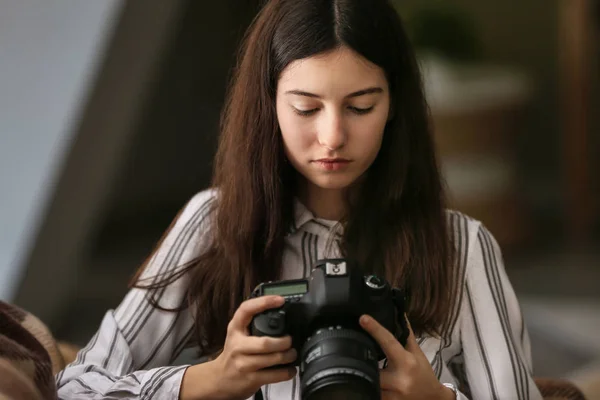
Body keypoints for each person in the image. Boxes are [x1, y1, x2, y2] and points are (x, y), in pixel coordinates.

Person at [56, 0, 543, 399]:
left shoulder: (460, 246)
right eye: (306, 107)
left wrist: (434, 398)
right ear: (269, 104)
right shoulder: (215, 225)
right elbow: (77, 388)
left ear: (395, 105)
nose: (332, 136)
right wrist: (213, 379)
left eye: (360, 106)